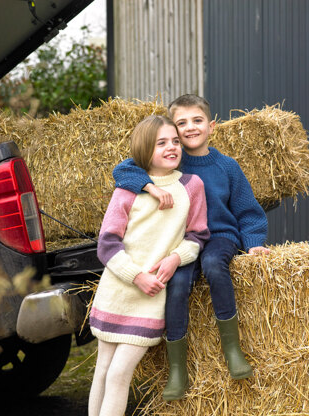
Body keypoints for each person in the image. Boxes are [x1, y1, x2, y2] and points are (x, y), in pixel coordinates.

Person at [113, 94, 270, 400]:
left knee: (213, 265)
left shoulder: (227, 167)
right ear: (174, 130)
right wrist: (150, 187)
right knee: (178, 282)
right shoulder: (169, 161)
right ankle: (177, 369)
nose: (190, 127)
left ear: (211, 126)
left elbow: (248, 212)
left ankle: (232, 349)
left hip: (219, 237)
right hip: (183, 242)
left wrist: (253, 245)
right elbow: (122, 170)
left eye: (197, 120)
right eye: (181, 123)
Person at [88, 114, 210, 416]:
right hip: (117, 290)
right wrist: (136, 276)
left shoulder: (192, 186)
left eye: (175, 141)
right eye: (161, 143)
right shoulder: (128, 188)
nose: (172, 147)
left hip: (151, 298)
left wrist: (176, 257)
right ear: (145, 149)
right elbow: (107, 244)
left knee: (119, 373)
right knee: (103, 370)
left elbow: (198, 235)